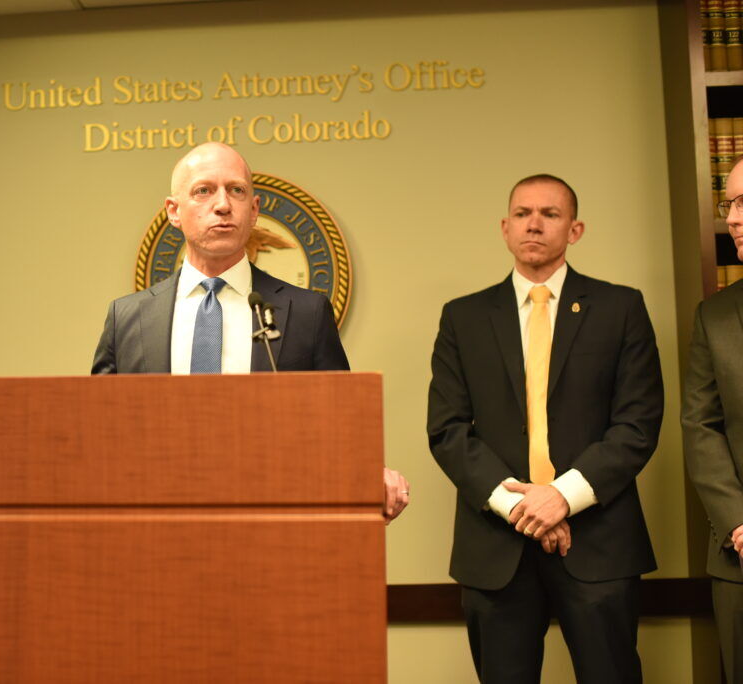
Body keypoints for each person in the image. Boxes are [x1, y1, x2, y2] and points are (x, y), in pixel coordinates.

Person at [427, 174, 663, 683]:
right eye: (523, 213)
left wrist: (562, 497)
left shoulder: (621, 309)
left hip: (598, 540)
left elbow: (637, 423)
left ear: (575, 230)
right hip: (496, 545)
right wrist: (522, 507)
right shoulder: (462, 318)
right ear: (505, 227)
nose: (534, 224)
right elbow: (448, 430)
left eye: (550, 214)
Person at [92, 142, 408, 521]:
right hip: (156, 528)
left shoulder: (306, 312)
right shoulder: (128, 317)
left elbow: (340, 428)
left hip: (272, 526)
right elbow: (101, 435)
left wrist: (369, 473)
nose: (223, 204)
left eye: (236, 190)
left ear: (254, 210)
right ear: (174, 212)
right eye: (204, 190)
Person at [682, 154, 743, 684]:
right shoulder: (715, 315)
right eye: (730, 203)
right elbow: (700, 425)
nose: (733, 219)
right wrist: (738, 522)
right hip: (740, 556)